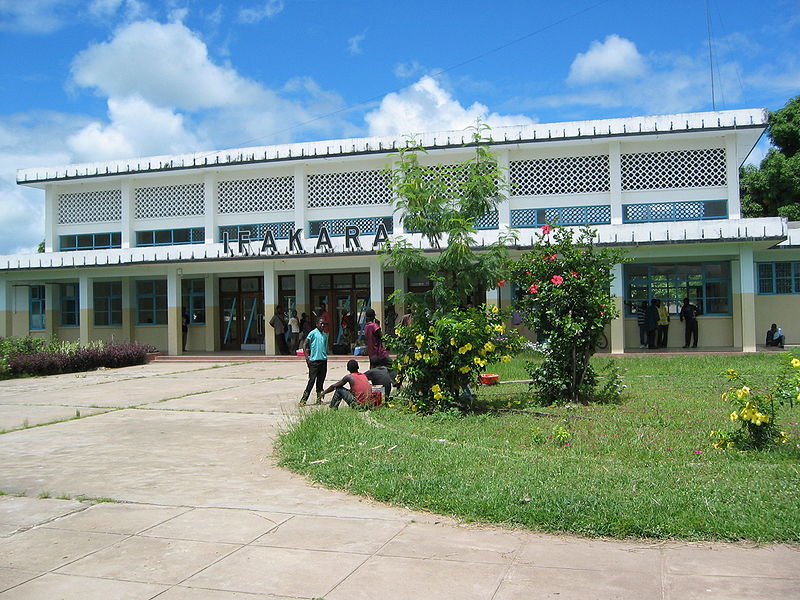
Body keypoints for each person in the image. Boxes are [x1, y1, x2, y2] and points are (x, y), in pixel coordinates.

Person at [299, 318, 328, 406]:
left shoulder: (325, 335)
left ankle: (319, 399)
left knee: (320, 381)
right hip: (314, 361)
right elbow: (305, 344)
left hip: (323, 361)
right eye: (320, 323)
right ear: (316, 324)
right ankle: (303, 400)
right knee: (311, 380)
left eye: (323, 324)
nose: (322, 325)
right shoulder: (312, 333)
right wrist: (307, 358)